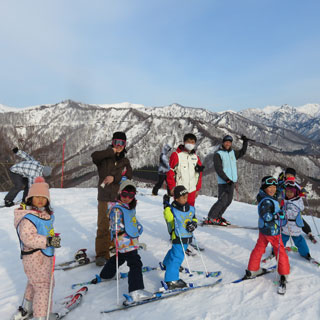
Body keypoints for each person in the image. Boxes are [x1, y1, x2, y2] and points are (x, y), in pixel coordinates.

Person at [12, 177, 61, 320]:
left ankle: (27, 307)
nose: (40, 200)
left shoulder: (44, 215)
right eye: (36, 197)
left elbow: (46, 230)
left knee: (35, 282)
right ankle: (42, 315)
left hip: (43, 256)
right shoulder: (28, 218)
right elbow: (28, 237)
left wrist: (52, 238)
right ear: (30, 198)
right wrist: (48, 241)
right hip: (34, 257)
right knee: (43, 286)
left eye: (43, 197)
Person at [99, 180, 152, 303]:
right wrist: (116, 233)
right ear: (120, 193)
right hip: (124, 241)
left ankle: (105, 274)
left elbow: (131, 219)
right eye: (124, 195)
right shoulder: (116, 209)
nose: (127, 198)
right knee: (135, 263)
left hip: (129, 240)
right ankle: (136, 290)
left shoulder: (128, 207)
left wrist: (138, 225)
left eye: (131, 196)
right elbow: (114, 224)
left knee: (120, 257)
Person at [91, 132, 133, 266]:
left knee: (117, 225)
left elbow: (129, 175)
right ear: (112, 142)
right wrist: (111, 152)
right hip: (104, 197)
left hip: (118, 198)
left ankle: (112, 244)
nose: (119, 145)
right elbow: (94, 156)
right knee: (103, 225)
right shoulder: (104, 158)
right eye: (116, 142)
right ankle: (102, 254)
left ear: (125, 144)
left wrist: (114, 178)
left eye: (122, 143)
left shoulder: (125, 161)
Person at [244, 176, 289, 291]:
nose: (273, 189)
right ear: (264, 188)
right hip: (273, 231)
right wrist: (277, 215)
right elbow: (266, 215)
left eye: (274, 187)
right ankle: (283, 273)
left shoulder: (264, 196)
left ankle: (253, 269)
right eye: (270, 187)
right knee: (280, 250)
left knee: (259, 248)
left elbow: (273, 194)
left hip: (263, 230)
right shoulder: (267, 201)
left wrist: (279, 188)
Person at [203, 134, 248, 226]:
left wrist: (245, 142)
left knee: (228, 201)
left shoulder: (232, 153)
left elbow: (242, 152)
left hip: (231, 181)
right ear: (223, 142)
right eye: (226, 142)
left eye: (229, 142)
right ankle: (212, 217)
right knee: (222, 200)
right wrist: (227, 179)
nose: (228, 143)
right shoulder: (218, 154)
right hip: (224, 182)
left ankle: (218, 216)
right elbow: (218, 169)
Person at [162, 185, 198, 289]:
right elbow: (169, 219)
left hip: (187, 236)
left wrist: (193, 224)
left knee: (175, 252)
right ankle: (171, 279)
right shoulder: (171, 209)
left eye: (186, 197)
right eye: (183, 197)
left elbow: (194, 218)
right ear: (176, 198)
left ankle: (167, 263)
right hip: (178, 236)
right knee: (177, 256)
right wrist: (166, 206)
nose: (186, 199)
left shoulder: (190, 209)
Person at [277, 167, 316, 243]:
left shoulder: (294, 183)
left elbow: (299, 189)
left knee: (298, 219)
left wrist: (302, 191)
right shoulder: (283, 182)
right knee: (282, 215)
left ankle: (308, 231)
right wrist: (280, 183)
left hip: (294, 204)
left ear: (294, 177)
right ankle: (279, 227)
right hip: (284, 203)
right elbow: (278, 188)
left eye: (291, 175)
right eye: (287, 175)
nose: (289, 177)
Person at [166, 133, 203, 206]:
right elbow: (170, 172)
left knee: (190, 211)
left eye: (192, 142)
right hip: (180, 190)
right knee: (179, 212)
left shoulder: (195, 157)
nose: (190, 144)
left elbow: (199, 174)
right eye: (188, 142)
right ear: (184, 142)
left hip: (192, 190)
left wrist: (197, 189)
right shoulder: (176, 155)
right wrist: (172, 187)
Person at [281, 180, 313, 260]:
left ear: (295, 193)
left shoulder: (297, 202)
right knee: (282, 239)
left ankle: (305, 253)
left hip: (294, 226)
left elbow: (294, 212)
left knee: (299, 240)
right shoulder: (287, 200)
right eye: (287, 191)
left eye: (291, 192)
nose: (288, 193)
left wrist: (284, 212)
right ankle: (277, 250)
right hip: (287, 226)